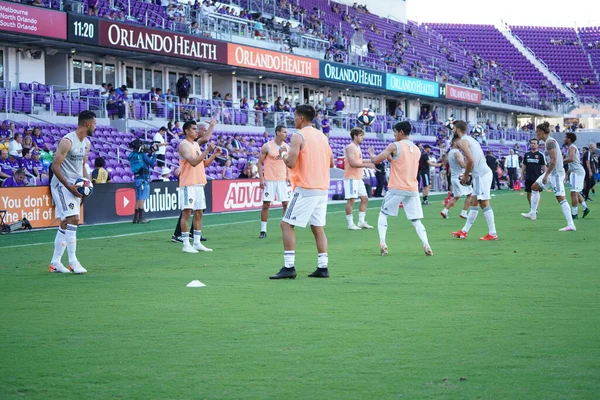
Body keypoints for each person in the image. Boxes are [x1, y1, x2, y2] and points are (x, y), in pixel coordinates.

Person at [270, 105, 333, 280]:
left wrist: (283, 153)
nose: (294, 119)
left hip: (306, 187)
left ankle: (289, 266)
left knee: (286, 224)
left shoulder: (299, 136)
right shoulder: (322, 137)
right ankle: (323, 267)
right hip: (322, 188)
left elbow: (290, 163)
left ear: (301, 118)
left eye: (295, 116)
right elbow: (331, 163)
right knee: (318, 227)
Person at [367, 121, 433, 256]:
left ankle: (383, 242)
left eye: (395, 132)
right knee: (416, 220)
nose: (394, 135)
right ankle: (426, 244)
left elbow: (376, 160)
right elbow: (402, 163)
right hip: (412, 189)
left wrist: (371, 154)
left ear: (401, 132)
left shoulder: (395, 145)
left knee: (383, 214)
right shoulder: (416, 149)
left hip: (397, 187)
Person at [48, 110, 95, 274]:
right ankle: (73, 261)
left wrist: (88, 183)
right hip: (62, 185)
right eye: (94, 124)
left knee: (65, 222)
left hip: (76, 186)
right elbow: (55, 166)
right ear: (87, 124)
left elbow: (82, 166)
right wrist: (69, 187)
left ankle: (55, 263)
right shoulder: (67, 141)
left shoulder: (87, 144)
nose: (95, 127)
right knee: (74, 219)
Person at [521, 122, 576, 231]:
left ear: (542, 132)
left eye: (537, 132)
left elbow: (553, 160)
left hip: (555, 174)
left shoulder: (549, 142)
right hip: (552, 173)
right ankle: (533, 213)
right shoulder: (549, 142)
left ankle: (571, 224)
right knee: (534, 187)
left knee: (560, 198)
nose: (536, 134)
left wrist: (546, 175)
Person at [178, 120, 221, 253]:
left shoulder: (195, 144)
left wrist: (213, 155)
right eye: (194, 129)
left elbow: (203, 164)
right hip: (188, 184)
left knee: (199, 212)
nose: (197, 131)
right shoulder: (184, 145)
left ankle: (196, 242)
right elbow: (194, 162)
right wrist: (207, 150)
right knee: (186, 213)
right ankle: (186, 244)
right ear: (187, 131)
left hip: (198, 183)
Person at [451, 120, 498, 240]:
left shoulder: (462, 141)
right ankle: (464, 231)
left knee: (484, 202)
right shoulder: (470, 139)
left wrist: (466, 175)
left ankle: (492, 233)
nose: (452, 130)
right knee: (474, 202)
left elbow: (471, 160)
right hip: (480, 174)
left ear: (458, 130)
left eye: (453, 128)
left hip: (482, 174)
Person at [256, 125, 291, 239]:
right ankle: (263, 230)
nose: (286, 134)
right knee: (266, 205)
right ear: (277, 133)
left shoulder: (287, 147)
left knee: (285, 204)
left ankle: (285, 227)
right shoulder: (267, 146)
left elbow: (288, 163)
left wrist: (288, 176)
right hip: (269, 180)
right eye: (284, 132)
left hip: (282, 180)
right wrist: (261, 178)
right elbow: (259, 163)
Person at [344, 127, 375, 230]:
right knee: (351, 200)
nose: (363, 138)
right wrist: (367, 165)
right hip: (351, 177)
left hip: (358, 177)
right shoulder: (351, 147)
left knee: (365, 199)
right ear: (355, 136)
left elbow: (360, 160)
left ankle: (361, 222)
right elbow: (353, 163)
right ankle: (350, 223)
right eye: (361, 136)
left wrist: (372, 159)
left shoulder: (357, 147)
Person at [441, 136, 472, 219]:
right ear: (455, 143)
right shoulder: (457, 153)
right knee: (470, 194)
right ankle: (464, 212)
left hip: (454, 177)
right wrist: (469, 165)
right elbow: (462, 164)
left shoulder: (450, 152)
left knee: (456, 196)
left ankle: (445, 211)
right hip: (459, 177)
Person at [128, 139, 157, 224]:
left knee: (138, 198)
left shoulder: (133, 155)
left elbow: (144, 160)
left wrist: (150, 153)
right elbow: (151, 162)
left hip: (137, 178)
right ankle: (141, 218)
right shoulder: (142, 155)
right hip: (144, 179)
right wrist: (154, 154)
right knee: (141, 199)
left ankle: (135, 218)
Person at [563, 132, 590, 219]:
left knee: (573, 192)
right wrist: (567, 174)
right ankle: (585, 208)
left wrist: (560, 161)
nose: (564, 139)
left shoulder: (572, 147)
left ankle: (574, 214)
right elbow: (573, 162)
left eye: (565, 137)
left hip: (576, 172)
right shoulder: (572, 147)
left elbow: (571, 159)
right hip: (576, 171)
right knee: (576, 192)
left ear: (569, 139)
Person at [521, 138, 546, 212]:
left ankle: (536, 208)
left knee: (536, 192)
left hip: (537, 177)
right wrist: (522, 174)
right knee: (528, 193)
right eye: (531, 143)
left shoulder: (541, 155)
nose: (532, 145)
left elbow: (544, 166)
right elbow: (524, 165)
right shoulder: (527, 154)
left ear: (538, 145)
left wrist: (546, 176)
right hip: (528, 176)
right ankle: (532, 207)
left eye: (534, 143)